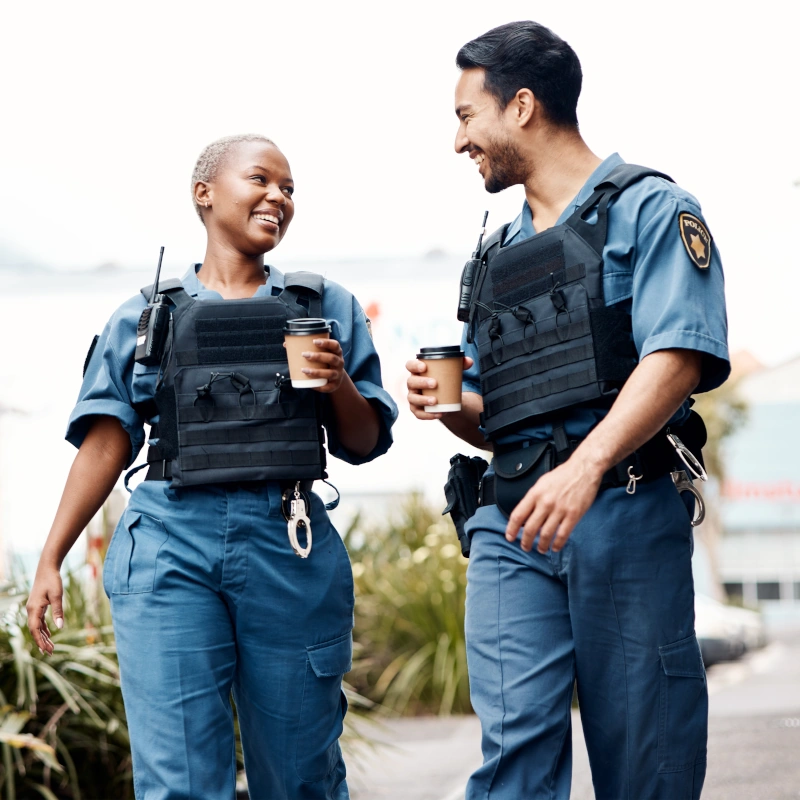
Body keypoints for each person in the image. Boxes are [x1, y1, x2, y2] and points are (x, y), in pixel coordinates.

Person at [406, 22, 728, 800]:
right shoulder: (494, 256)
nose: (458, 142)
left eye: (464, 117)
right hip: (512, 522)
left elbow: (677, 357)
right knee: (512, 755)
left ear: (521, 106)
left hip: (622, 508)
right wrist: (446, 405)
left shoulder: (652, 209)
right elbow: (499, 415)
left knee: (645, 760)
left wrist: (585, 469)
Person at [27, 133, 397, 800]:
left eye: (289, 190)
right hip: (169, 543)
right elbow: (106, 441)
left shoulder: (322, 307)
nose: (278, 197)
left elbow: (365, 441)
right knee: (180, 784)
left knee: (300, 777)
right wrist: (52, 557)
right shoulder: (147, 317)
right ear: (204, 193)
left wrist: (336, 381)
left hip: (288, 541)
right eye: (261, 180)